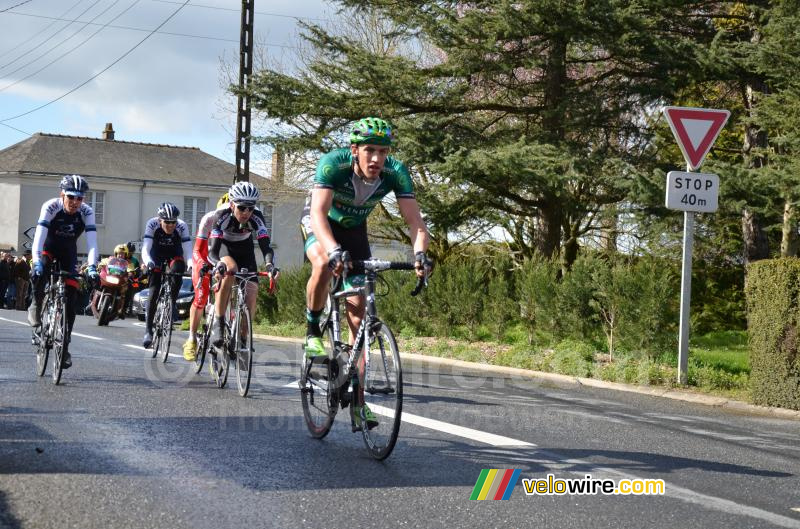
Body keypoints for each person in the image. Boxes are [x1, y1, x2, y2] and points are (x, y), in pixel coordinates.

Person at [301, 117, 432, 429]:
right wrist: (333, 249)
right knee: (321, 262)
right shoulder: (334, 164)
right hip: (322, 224)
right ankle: (311, 332)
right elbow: (318, 213)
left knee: (359, 320)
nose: (377, 159)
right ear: (354, 149)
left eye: (383, 151)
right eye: (370, 150)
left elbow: (415, 221)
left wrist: (420, 254)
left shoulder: (395, 172)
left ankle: (359, 404)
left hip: (355, 231)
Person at [28, 175, 99, 369]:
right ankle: (36, 303)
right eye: (71, 197)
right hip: (48, 248)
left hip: (69, 251)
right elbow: (39, 236)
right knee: (40, 271)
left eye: (80, 198)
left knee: (71, 298)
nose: (75, 202)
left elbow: (93, 243)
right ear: (62, 195)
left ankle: (65, 346)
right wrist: (36, 263)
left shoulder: (87, 212)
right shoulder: (51, 206)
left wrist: (92, 267)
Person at [207, 182, 276, 351]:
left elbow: (266, 246)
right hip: (224, 247)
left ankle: (242, 339)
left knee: (251, 294)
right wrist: (218, 265)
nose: (246, 212)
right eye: (242, 208)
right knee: (231, 269)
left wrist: (270, 266)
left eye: (250, 208)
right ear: (232, 205)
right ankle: (219, 321)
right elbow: (212, 251)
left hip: (245, 250)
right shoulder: (221, 215)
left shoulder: (257, 217)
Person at [182, 193, 229, 361]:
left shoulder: (238, 222)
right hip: (204, 257)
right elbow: (197, 249)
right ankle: (192, 339)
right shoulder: (208, 219)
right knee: (201, 296)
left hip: (222, 259)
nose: (225, 215)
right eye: (222, 212)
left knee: (227, 292)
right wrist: (201, 265)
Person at [141, 202, 192, 349]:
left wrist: (190, 264)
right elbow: (146, 247)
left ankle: (171, 302)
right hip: (156, 255)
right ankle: (148, 331)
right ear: (159, 220)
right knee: (154, 291)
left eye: (173, 222)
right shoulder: (152, 224)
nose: (170, 225)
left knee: (179, 268)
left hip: (173, 254)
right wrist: (149, 262)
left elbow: (188, 248)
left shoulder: (182, 226)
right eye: (167, 222)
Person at [94, 244, 136, 319]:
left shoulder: (128, 263)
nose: (120, 255)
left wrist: (130, 275)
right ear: (116, 253)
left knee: (130, 288)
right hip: (109, 277)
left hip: (120, 281)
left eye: (122, 254)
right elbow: (103, 263)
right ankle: (92, 298)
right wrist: (100, 267)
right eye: (119, 253)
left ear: (125, 255)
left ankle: (123, 309)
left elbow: (131, 271)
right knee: (96, 279)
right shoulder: (110, 259)